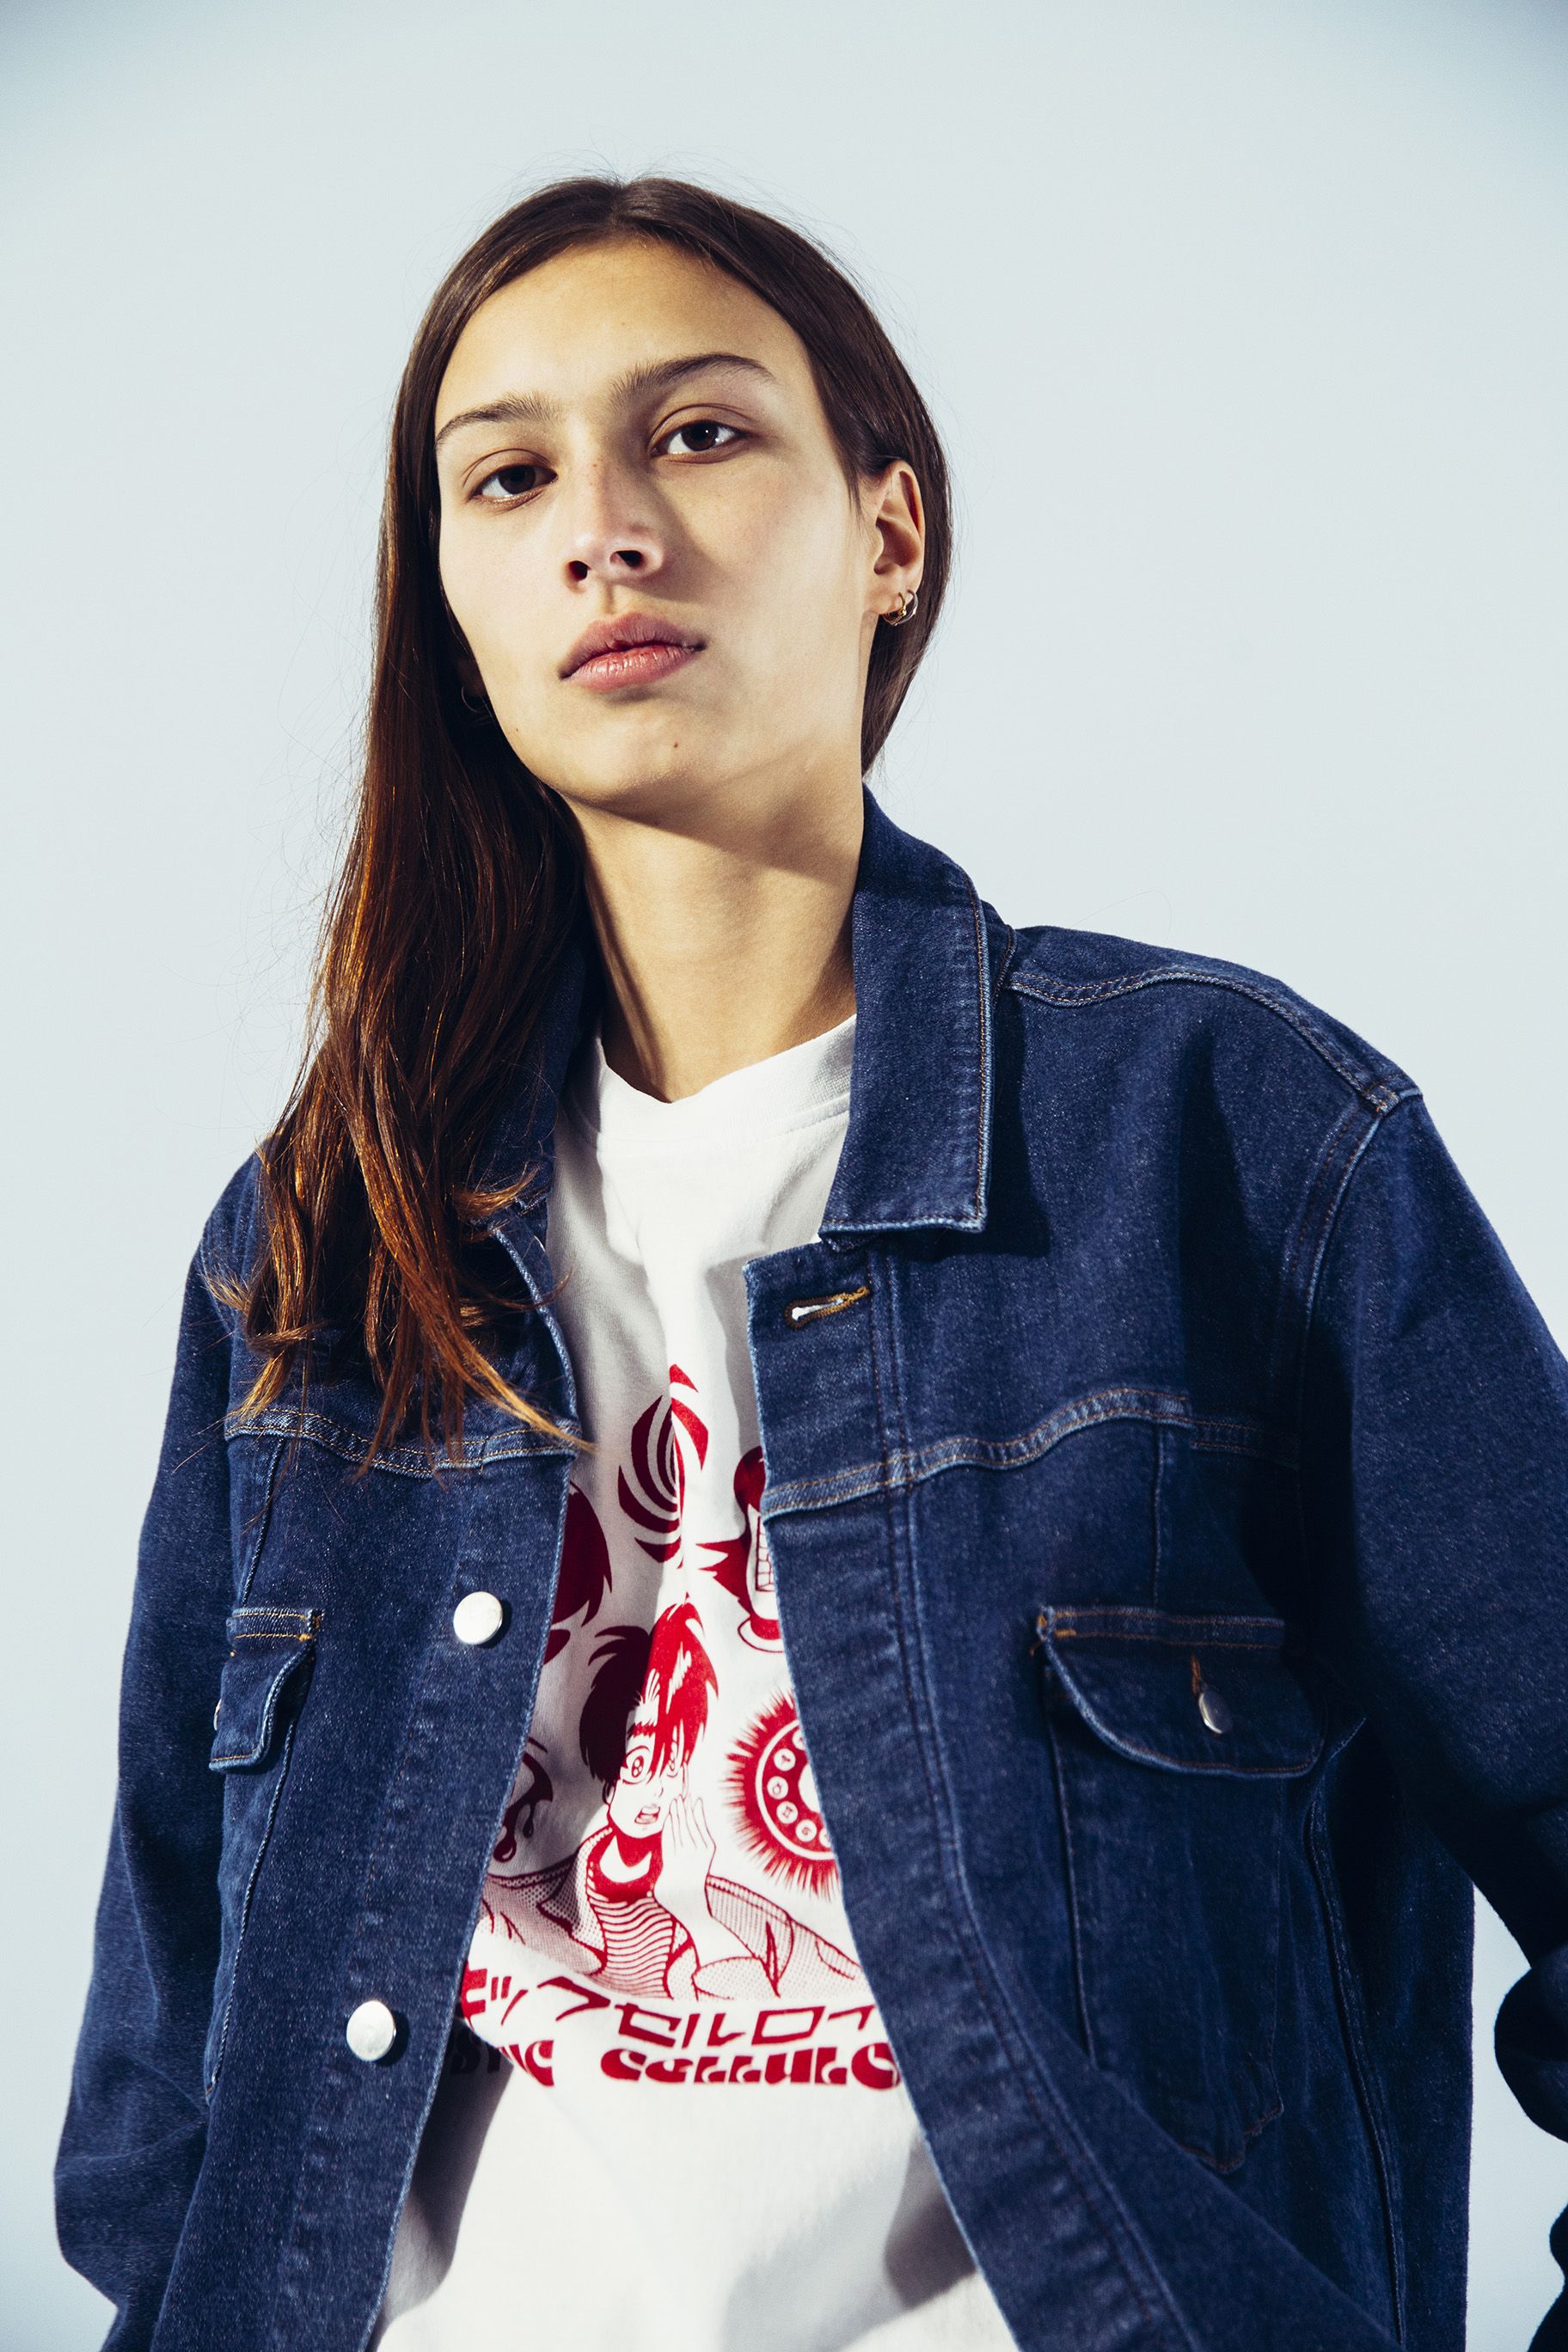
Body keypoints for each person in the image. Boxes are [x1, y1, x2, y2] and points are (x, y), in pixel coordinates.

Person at [54, 173, 1568, 2352]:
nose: (605, 530)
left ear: (890, 532)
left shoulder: (1229, 1143)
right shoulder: (319, 1244)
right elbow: (166, 2092)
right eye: (509, 477)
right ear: (455, 609)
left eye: (698, 434)